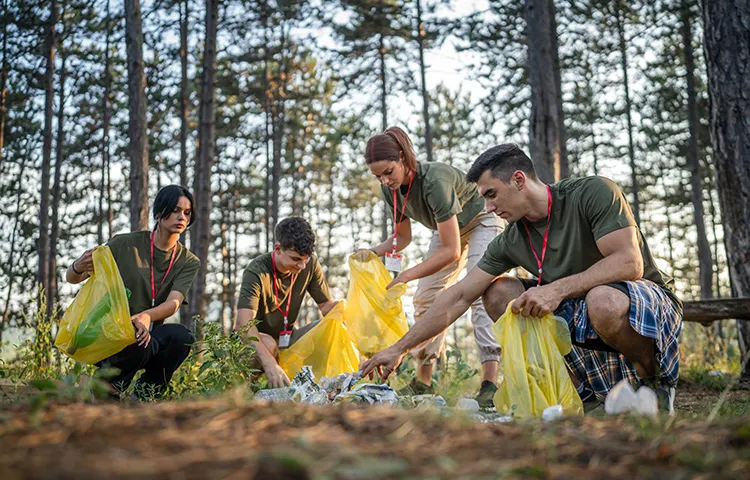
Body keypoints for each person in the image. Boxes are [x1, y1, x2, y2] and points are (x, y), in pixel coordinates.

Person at [361, 144, 682, 414]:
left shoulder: (593, 192)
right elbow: (459, 295)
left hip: (644, 304)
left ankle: (653, 380)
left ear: (518, 180)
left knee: (603, 300)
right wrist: (400, 348)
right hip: (579, 310)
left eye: (491, 195)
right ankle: (578, 393)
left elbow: (629, 263)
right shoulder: (512, 239)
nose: (487, 207)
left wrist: (556, 289)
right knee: (498, 293)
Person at [364, 127, 503, 405]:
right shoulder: (389, 190)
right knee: (426, 297)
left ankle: (489, 383)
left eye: (389, 171)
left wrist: (407, 274)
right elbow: (403, 237)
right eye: (378, 175)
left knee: (480, 294)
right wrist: (371, 253)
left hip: (481, 220)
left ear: (403, 158)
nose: (384, 180)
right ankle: (424, 381)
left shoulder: (434, 181)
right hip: (449, 229)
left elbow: (451, 252)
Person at [66, 185, 201, 398]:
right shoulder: (124, 244)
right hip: (108, 334)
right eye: (175, 210)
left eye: (186, 212)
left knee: (180, 337)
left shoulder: (188, 261)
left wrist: (146, 316)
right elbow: (74, 278)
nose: (181, 217)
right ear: (159, 212)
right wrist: (76, 266)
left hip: (145, 334)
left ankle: (145, 395)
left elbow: (173, 303)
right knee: (137, 341)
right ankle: (103, 392)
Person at [233, 217, 339, 388]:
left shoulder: (309, 264)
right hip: (256, 345)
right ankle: (242, 392)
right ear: (278, 249)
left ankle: (319, 390)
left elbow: (327, 307)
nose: (302, 266)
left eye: (306, 259)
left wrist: (350, 311)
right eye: (296, 259)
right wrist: (270, 364)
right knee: (268, 343)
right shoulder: (256, 272)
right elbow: (242, 325)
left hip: (288, 338)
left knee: (328, 328)